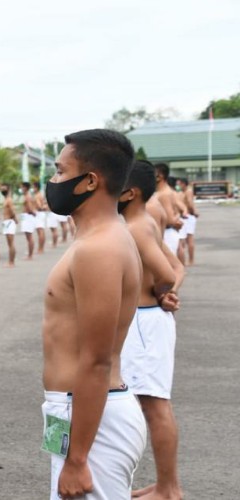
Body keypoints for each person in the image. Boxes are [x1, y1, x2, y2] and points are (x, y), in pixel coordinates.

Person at [41, 129, 146, 499]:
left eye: (59, 171)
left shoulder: (98, 248)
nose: (52, 181)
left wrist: (77, 459)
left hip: (91, 423)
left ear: (89, 181)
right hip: (73, 413)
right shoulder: (98, 239)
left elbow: (97, 360)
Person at [118, 160, 185, 500]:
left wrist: (164, 292)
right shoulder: (140, 220)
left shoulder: (135, 227)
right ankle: (163, 484)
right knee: (150, 404)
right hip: (147, 320)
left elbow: (168, 273)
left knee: (154, 405)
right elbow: (177, 266)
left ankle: (169, 489)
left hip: (144, 322)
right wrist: (168, 295)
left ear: (130, 192)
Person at [152, 163, 183, 256]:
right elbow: (178, 212)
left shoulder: (164, 194)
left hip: (167, 234)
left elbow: (169, 220)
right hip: (166, 233)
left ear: (160, 176)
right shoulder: (164, 192)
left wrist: (176, 220)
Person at [177, 177, 198, 265]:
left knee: (189, 239)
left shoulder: (188, 191)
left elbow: (189, 203)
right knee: (182, 240)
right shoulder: (180, 193)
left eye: (180, 184)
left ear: (184, 184)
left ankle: (191, 260)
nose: (178, 185)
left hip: (188, 216)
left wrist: (194, 212)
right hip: (183, 216)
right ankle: (184, 261)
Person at [35, 181, 60, 248]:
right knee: (52, 229)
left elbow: (40, 206)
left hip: (50, 213)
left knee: (52, 229)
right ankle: (54, 243)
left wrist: (43, 207)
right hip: (50, 213)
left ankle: (53, 244)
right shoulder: (50, 194)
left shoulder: (51, 194)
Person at [0, 183, 19, 267]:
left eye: (4, 189)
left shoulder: (9, 200)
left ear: (8, 189)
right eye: (1, 189)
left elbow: (12, 210)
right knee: (9, 243)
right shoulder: (6, 199)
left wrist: (15, 219)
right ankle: (10, 261)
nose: (2, 190)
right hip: (6, 222)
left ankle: (11, 262)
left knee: (11, 243)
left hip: (9, 222)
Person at [19, 182, 37, 259]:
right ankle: (30, 254)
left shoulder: (27, 196)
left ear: (26, 188)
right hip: (26, 216)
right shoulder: (26, 196)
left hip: (28, 217)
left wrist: (32, 213)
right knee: (28, 237)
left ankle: (30, 255)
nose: (21, 189)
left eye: (22, 187)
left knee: (29, 237)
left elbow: (29, 207)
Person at [32, 182, 48, 254]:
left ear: (36, 187)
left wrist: (38, 208)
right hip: (41, 214)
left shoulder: (36, 196)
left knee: (40, 231)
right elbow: (44, 203)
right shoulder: (40, 195)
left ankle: (40, 248)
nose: (33, 189)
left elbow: (39, 206)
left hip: (39, 213)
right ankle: (41, 248)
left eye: (33, 187)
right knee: (41, 231)